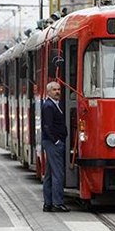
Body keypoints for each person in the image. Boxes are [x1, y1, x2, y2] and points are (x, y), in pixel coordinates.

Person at [41, 81, 69, 212]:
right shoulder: (49, 106)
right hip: (52, 143)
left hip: (52, 142)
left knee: (49, 174)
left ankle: (48, 203)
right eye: (54, 90)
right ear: (49, 92)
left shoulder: (55, 104)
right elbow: (47, 126)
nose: (57, 92)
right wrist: (56, 141)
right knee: (58, 173)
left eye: (58, 89)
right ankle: (57, 203)